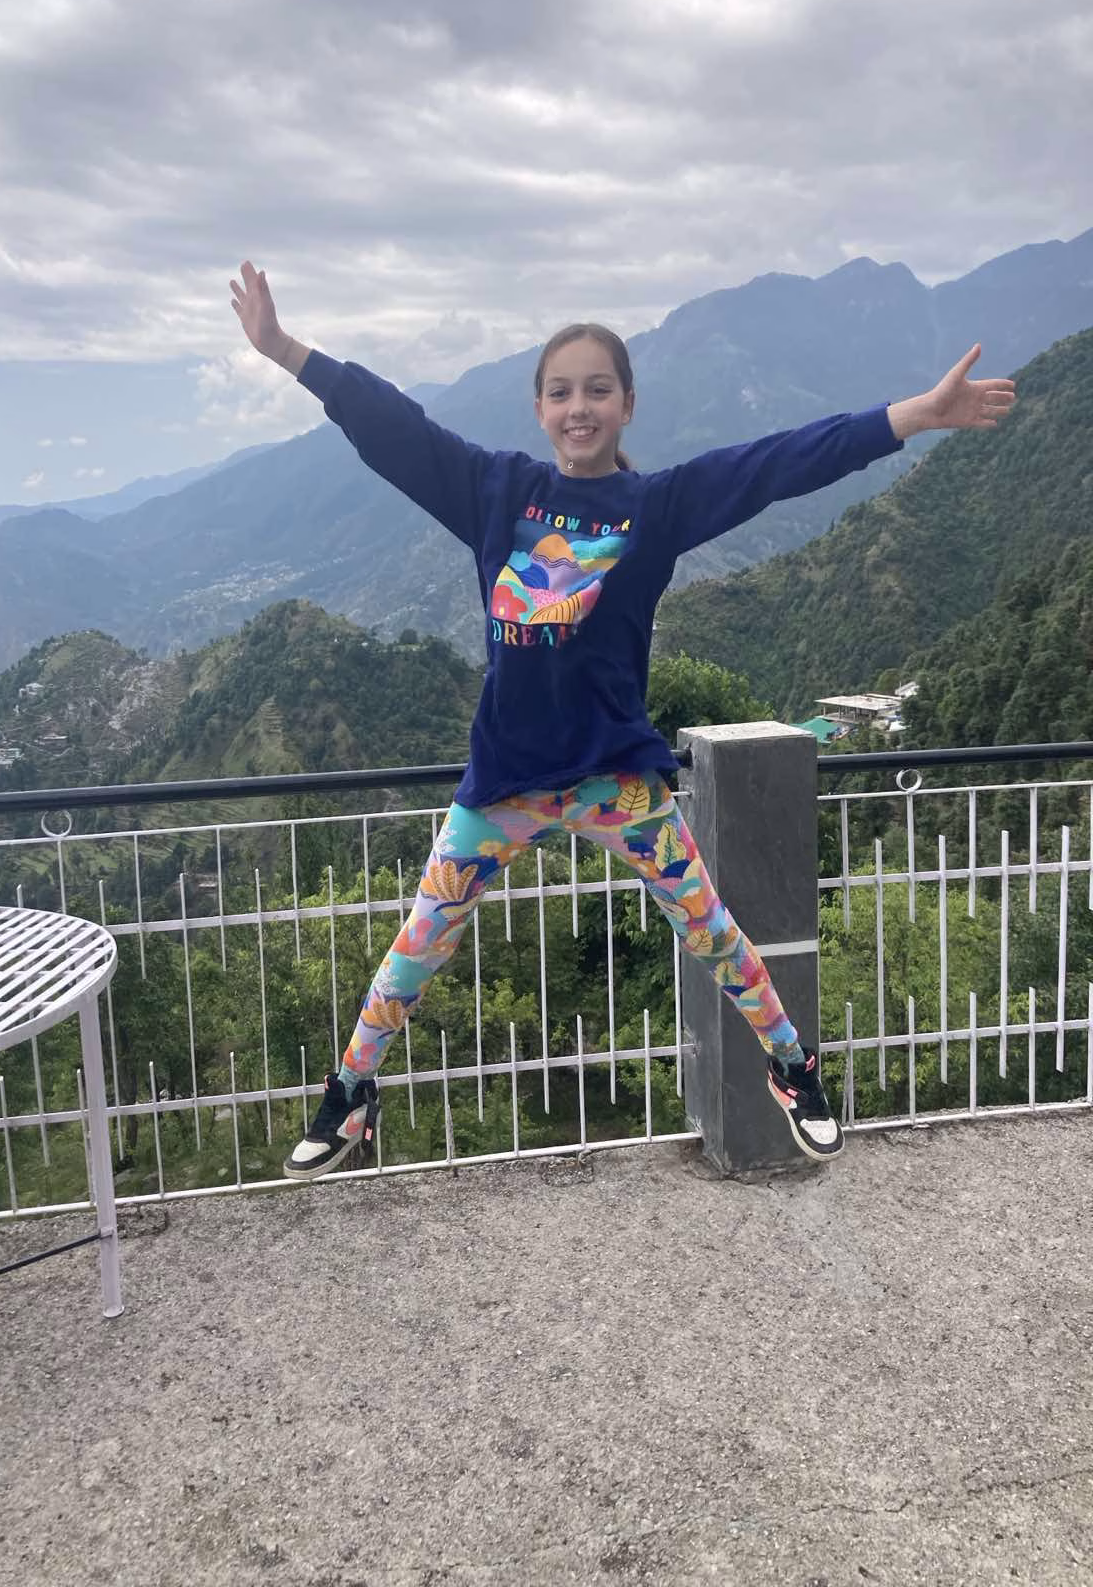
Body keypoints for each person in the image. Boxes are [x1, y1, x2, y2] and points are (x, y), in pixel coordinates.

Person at [230, 260, 1015, 1177]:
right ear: (539, 408)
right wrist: (285, 350)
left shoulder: (654, 507)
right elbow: (391, 425)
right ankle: (351, 1091)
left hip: (616, 779)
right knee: (418, 946)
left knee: (711, 930)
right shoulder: (495, 491)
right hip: (508, 781)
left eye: (597, 389)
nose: (580, 407)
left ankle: (793, 1066)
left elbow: (778, 463)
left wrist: (915, 414)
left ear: (627, 404)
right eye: (562, 391)